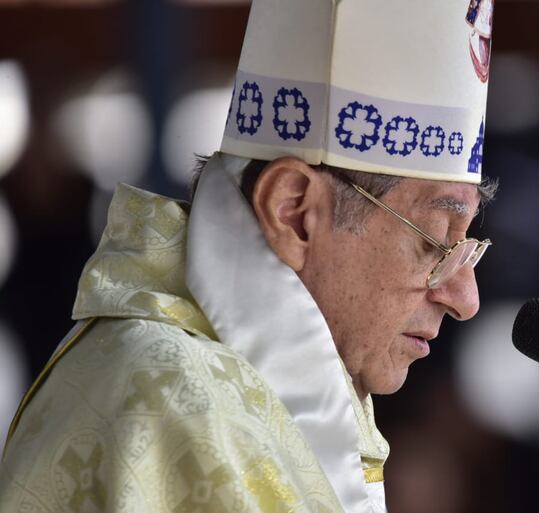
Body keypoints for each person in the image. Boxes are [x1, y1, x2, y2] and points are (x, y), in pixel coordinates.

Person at [0, 0, 496, 511]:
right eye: (435, 240)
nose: (465, 297)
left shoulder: (280, 382)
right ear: (294, 213)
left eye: (466, 246)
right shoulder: (174, 401)